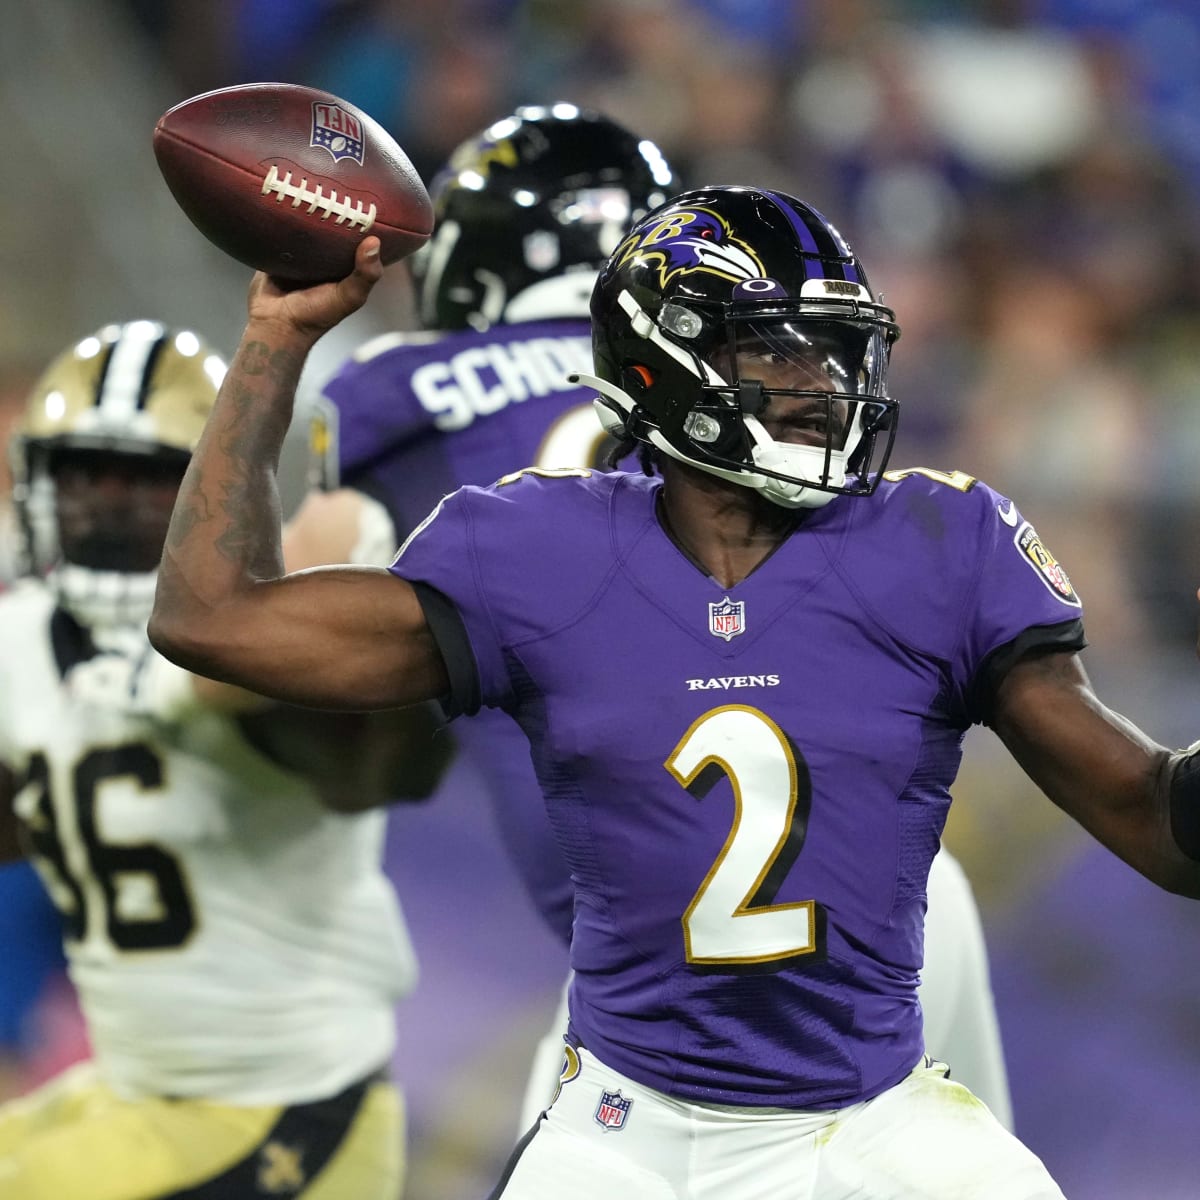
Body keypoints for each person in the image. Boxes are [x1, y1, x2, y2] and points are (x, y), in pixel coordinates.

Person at [147, 186, 1200, 1200]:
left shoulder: (939, 542)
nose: (822, 382)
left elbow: (1152, 816)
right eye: (777, 349)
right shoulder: (536, 550)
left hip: (872, 1118)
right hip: (625, 1129)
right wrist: (277, 339)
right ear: (664, 363)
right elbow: (211, 619)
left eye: (835, 350)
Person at [302, 103, 1013, 1130]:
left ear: (468, 267)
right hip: (905, 908)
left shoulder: (398, 399)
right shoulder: (751, 374)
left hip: (678, 981)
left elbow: (247, 658)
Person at [0, 320, 452, 1200]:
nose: (107, 500)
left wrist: (256, 684)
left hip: (290, 1102)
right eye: (85, 469)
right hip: (139, 1089)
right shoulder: (21, 638)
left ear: (211, 486)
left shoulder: (267, 648)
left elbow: (398, 766)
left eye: (143, 475)